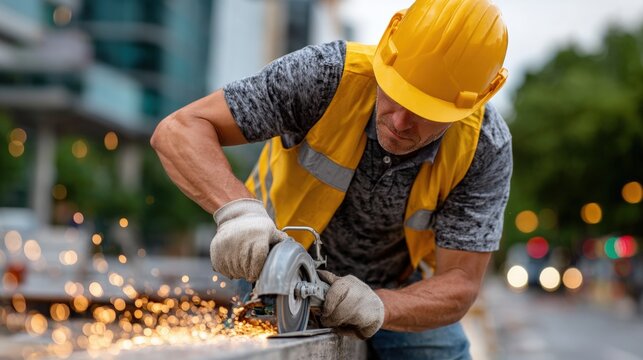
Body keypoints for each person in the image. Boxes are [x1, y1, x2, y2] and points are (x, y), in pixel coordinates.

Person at [151, 0, 511, 358]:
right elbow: (179, 130)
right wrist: (238, 213)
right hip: (277, 273)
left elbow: (460, 284)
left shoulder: (483, 147)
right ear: (387, 54)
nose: (400, 122)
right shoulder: (327, 76)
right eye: (397, 92)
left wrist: (381, 306)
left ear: (478, 99)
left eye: (426, 112)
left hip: (399, 287)